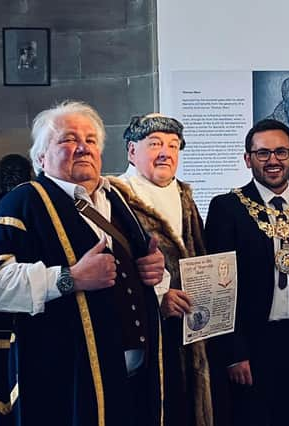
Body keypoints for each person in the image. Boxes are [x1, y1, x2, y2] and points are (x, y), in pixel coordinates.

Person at [0, 101, 166, 426]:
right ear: (41, 157)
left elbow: (136, 273)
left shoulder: (115, 199)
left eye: (90, 140)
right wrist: (69, 278)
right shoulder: (23, 203)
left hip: (132, 384)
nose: (82, 147)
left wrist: (154, 271)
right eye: (68, 139)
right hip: (66, 386)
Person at [205, 119, 289, 426]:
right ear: (248, 159)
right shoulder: (226, 208)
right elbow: (219, 289)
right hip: (253, 345)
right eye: (263, 153)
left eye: (281, 152)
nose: (273, 161)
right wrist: (233, 352)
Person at [109, 113, 213, 426]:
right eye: (154, 144)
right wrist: (157, 297)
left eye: (173, 144)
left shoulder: (184, 195)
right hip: (146, 330)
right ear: (131, 151)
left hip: (191, 326)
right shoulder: (115, 198)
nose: (166, 152)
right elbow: (116, 269)